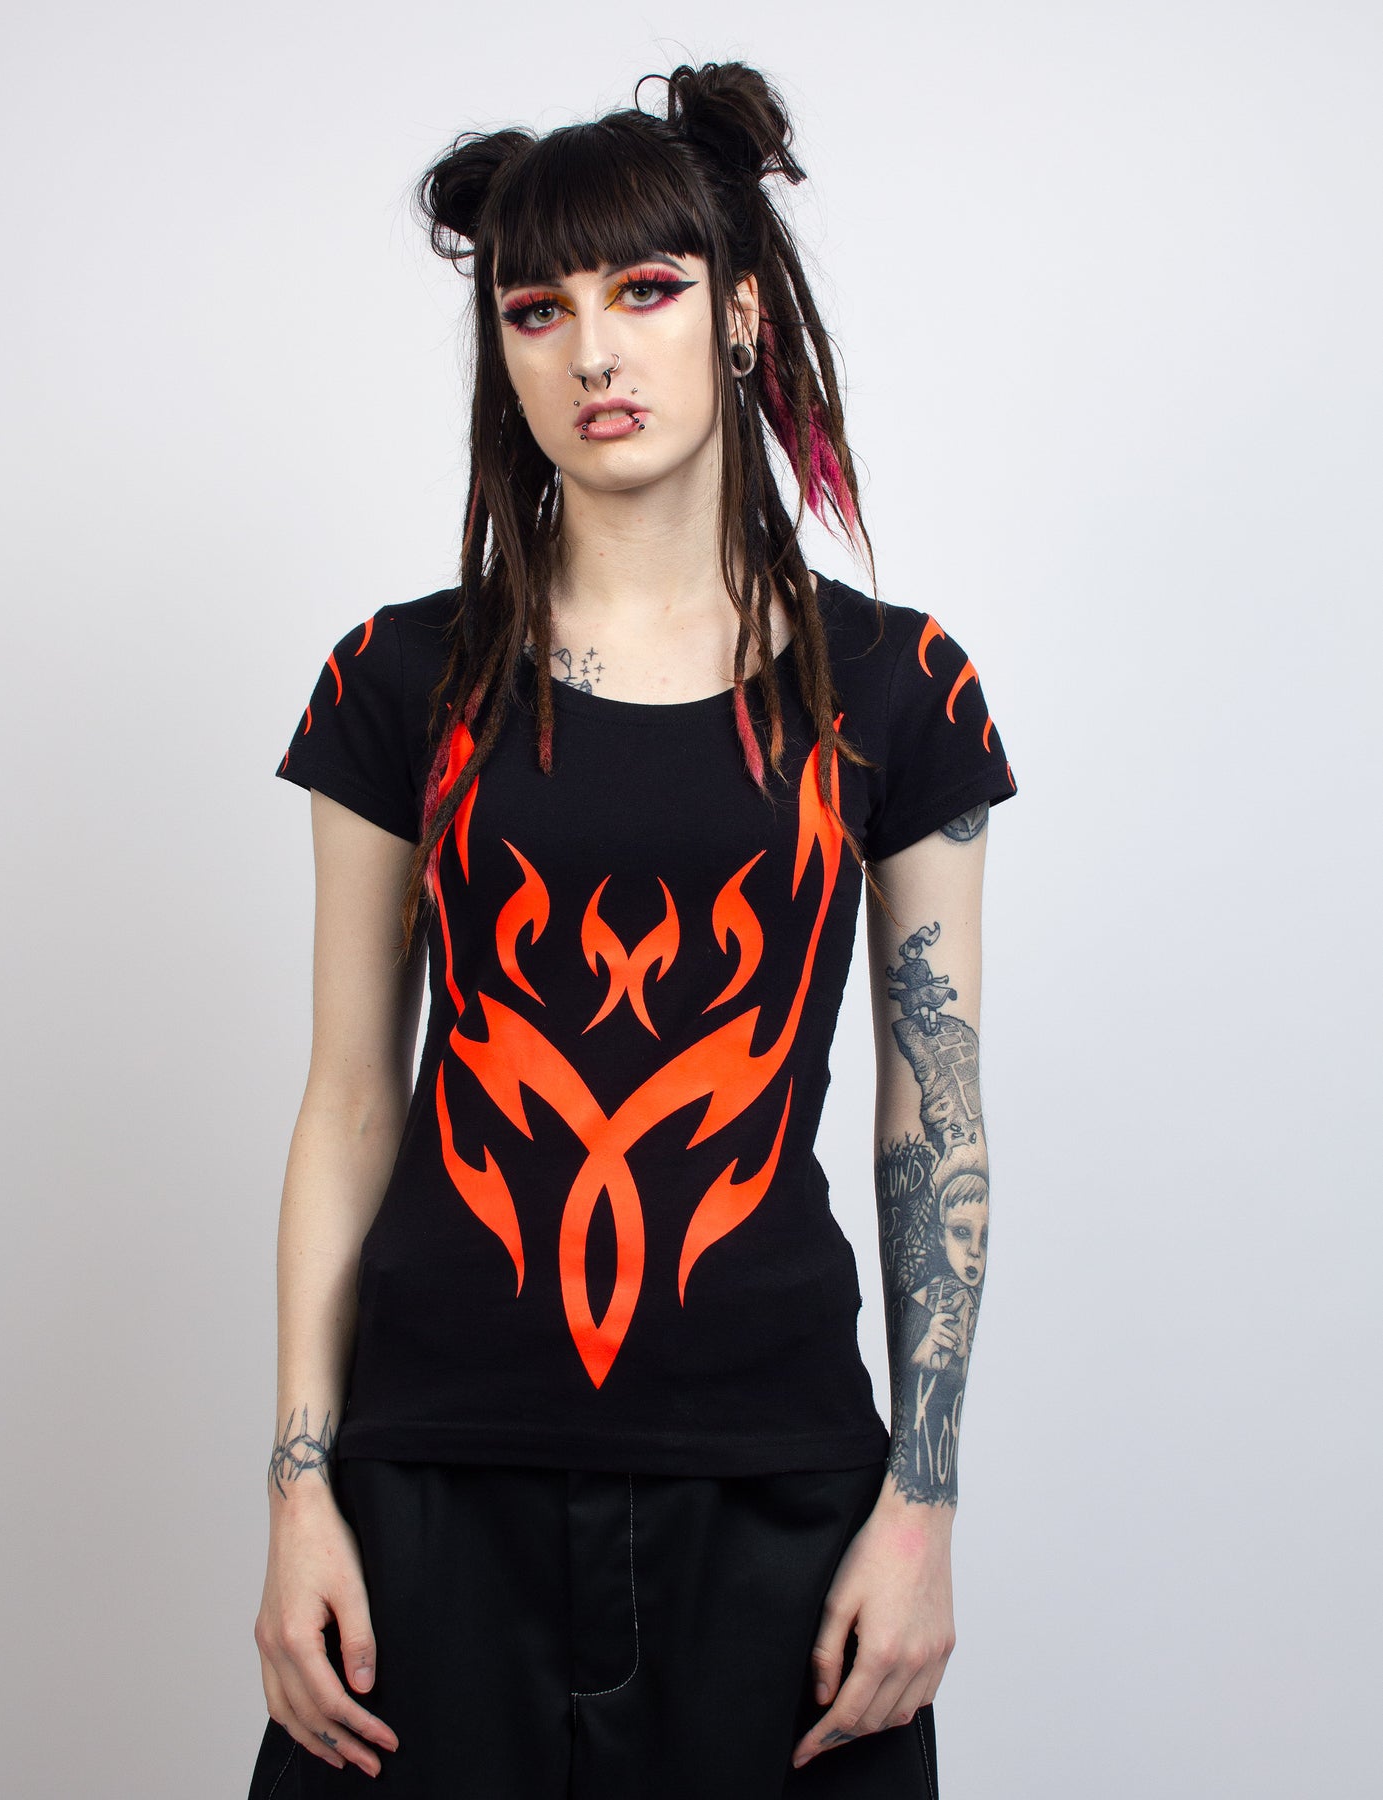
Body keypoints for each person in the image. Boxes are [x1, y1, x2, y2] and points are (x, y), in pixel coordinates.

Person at [247, 58, 1017, 1800]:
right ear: (503, 352)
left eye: (644, 290)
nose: (592, 351)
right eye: (539, 310)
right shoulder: (396, 681)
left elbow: (936, 1113)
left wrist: (923, 1503)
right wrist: (298, 1488)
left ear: (738, 316)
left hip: (776, 1491)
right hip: (433, 1483)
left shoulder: (899, 687)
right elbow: (351, 1098)